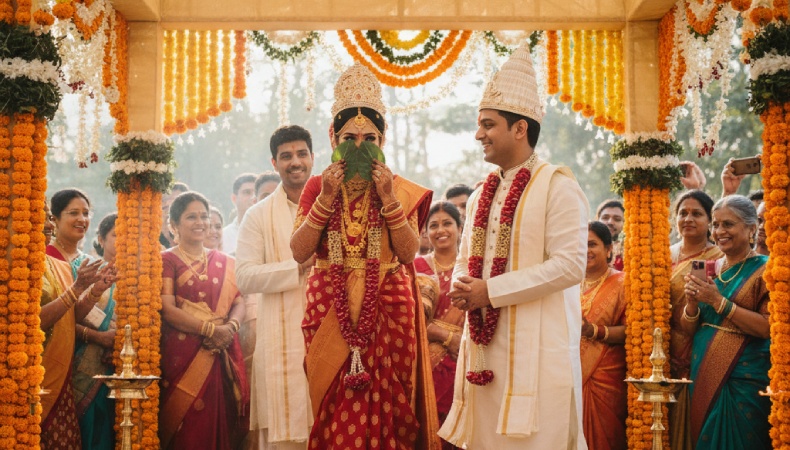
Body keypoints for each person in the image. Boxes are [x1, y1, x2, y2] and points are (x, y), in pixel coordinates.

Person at [440, 43, 588, 449]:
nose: (478, 134)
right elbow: (465, 258)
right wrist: (463, 285)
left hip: (537, 351)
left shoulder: (558, 186)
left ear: (520, 128)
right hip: (486, 348)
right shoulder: (479, 195)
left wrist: (492, 291)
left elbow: (570, 266)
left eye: (488, 124)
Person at [290, 63, 440, 449]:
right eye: (349, 137)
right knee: (333, 406)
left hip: (388, 305)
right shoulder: (316, 187)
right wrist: (324, 199)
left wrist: (388, 198)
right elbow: (299, 251)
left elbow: (408, 253)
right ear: (332, 137)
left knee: (392, 408)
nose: (359, 145)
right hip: (329, 304)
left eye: (369, 137)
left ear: (383, 139)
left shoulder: (397, 188)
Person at [235, 124, 315, 449]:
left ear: (312, 157)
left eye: (301, 154)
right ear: (274, 163)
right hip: (283, 344)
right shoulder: (257, 216)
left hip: (332, 337)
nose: (294, 162)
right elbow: (245, 277)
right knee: (287, 439)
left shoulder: (336, 206)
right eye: (286, 156)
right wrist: (296, 269)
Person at [159, 191, 249, 450]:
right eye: (191, 217)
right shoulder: (167, 260)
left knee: (219, 419)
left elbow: (238, 302)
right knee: (185, 426)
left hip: (221, 352)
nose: (200, 222)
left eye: (203, 216)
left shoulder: (225, 262)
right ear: (173, 225)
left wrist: (230, 328)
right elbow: (167, 308)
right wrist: (211, 330)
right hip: (182, 354)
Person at [681, 195, 771, 450]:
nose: (720, 232)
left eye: (728, 224)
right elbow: (689, 328)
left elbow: (767, 327)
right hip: (703, 369)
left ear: (751, 228)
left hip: (744, 376)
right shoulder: (707, 268)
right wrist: (691, 303)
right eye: (716, 225)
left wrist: (718, 302)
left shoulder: (767, 270)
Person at [40, 201, 115, 448]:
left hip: (61, 374)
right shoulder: (12, 265)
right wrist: (77, 289)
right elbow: (32, 320)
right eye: (41, 217)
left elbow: (72, 317)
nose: (48, 224)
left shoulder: (61, 267)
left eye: (47, 216)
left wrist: (93, 291)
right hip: (36, 371)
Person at [668, 190, 722, 450]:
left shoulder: (719, 257)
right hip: (659, 349)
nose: (688, 218)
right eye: (683, 213)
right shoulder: (662, 255)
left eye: (697, 214)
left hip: (701, 346)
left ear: (711, 221)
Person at [413, 202, 464, 449]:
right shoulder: (415, 268)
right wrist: (444, 335)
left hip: (466, 362)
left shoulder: (474, 269)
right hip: (425, 366)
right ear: (426, 232)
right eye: (433, 225)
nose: (440, 230)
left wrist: (460, 341)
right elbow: (406, 320)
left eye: (447, 224)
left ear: (460, 228)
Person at [73, 213, 119, 450]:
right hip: (87, 366)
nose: (124, 241)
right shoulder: (85, 269)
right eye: (116, 235)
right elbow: (67, 321)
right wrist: (100, 338)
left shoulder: (146, 277)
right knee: (92, 432)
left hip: (123, 368)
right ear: (100, 239)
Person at [580, 221, 626, 450]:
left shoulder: (622, 283)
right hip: (569, 377)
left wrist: (595, 331)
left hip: (606, 380)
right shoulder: (566, 285)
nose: (585, 250)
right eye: (579, 245)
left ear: (609, 249)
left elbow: (634, 331)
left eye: (592, 244)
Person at [47, 188, 94, 270]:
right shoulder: (44, 257)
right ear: (54, 219)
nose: (82, 219)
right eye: (74, 213)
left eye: (86, 213)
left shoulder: (89, 262)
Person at [224, 173, 257, 255]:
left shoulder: (272, 232)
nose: (253, 198)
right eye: (247, 192)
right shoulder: (223, 237)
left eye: (256, 193)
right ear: (234, 199)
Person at [595, 199, 624, 271]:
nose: (610, 222)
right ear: (597, 220)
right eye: (605, 218)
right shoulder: (583, 246)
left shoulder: (630, 251)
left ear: (625, 224)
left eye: (617, 219)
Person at [160, 181, 189, 249]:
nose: (168, 203)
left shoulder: (193, 233)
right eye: (164, 199)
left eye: (175, 200)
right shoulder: (148, 234)